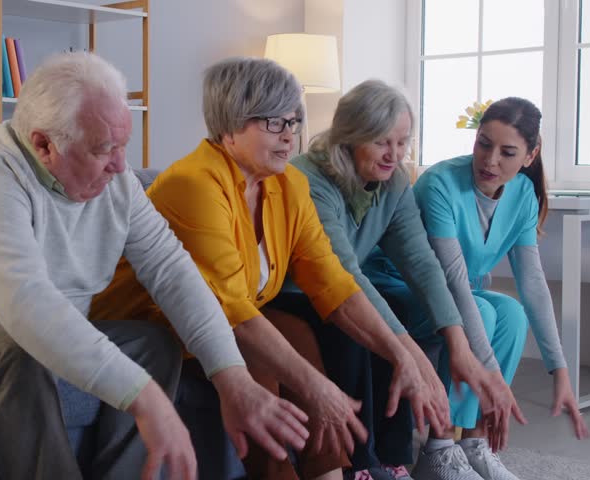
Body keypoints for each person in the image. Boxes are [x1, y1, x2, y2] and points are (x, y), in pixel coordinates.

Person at [0, 52, 310, 480]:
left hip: (49, 321)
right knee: (20, 352)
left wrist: (231, 376)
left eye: (124, 144)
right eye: (105, 148)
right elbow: (27, 305)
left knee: (154, 343)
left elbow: (170, 269)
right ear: (43, 144)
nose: (122, 165)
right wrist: (145, 397)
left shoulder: (115, 181)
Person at [90, 57, 450, 480]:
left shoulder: (287, 184)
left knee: (297, 331)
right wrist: (320, 389)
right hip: (152, 327)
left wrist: (400, 354)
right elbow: (230, 313)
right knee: (260, 354)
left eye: (293, 122)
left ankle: (329, 474)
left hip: (225, 320)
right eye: (273, 123)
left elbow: (332, 281)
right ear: (229, 126)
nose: (289, 137)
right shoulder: (194, 184)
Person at [269, 80, 523, 480]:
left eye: (403, 142)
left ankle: (393, 458)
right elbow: (344, 274)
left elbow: (422, 263)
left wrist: (459, 345)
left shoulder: (395, 181)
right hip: (294, 290)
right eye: (382, 142)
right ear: (351, 136)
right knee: (360, 328)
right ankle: (359, 464)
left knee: (402, 310)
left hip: (340, 288)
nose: (395, 154)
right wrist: (411, 356)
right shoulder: (308, 179)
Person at [362, 96, 590, 480]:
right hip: (397, 287)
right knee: (482, 313)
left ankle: (474, 443)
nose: (490, 160)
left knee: (513, 313)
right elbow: (449, 281)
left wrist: (560, 370)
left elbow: (532, 283)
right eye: (484, 143)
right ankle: (439, 447)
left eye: (507, 152)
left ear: (529, 156)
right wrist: (494, 382)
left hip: (452, 293)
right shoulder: (440, 184)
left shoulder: (522, 196)